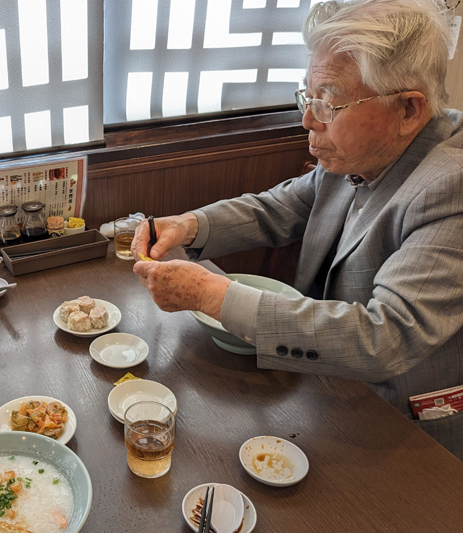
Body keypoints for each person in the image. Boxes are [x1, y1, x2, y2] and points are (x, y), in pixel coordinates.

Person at [132, 0, 463, 459]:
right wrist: (188, 225)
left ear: (408, 109)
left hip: (403, 434)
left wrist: (211, 294)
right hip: (329, 392)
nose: (308, 119)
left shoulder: (451, 186)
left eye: (328, 102)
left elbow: (385, 337)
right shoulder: (358, 151)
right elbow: (278, 208)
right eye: (309, 97)